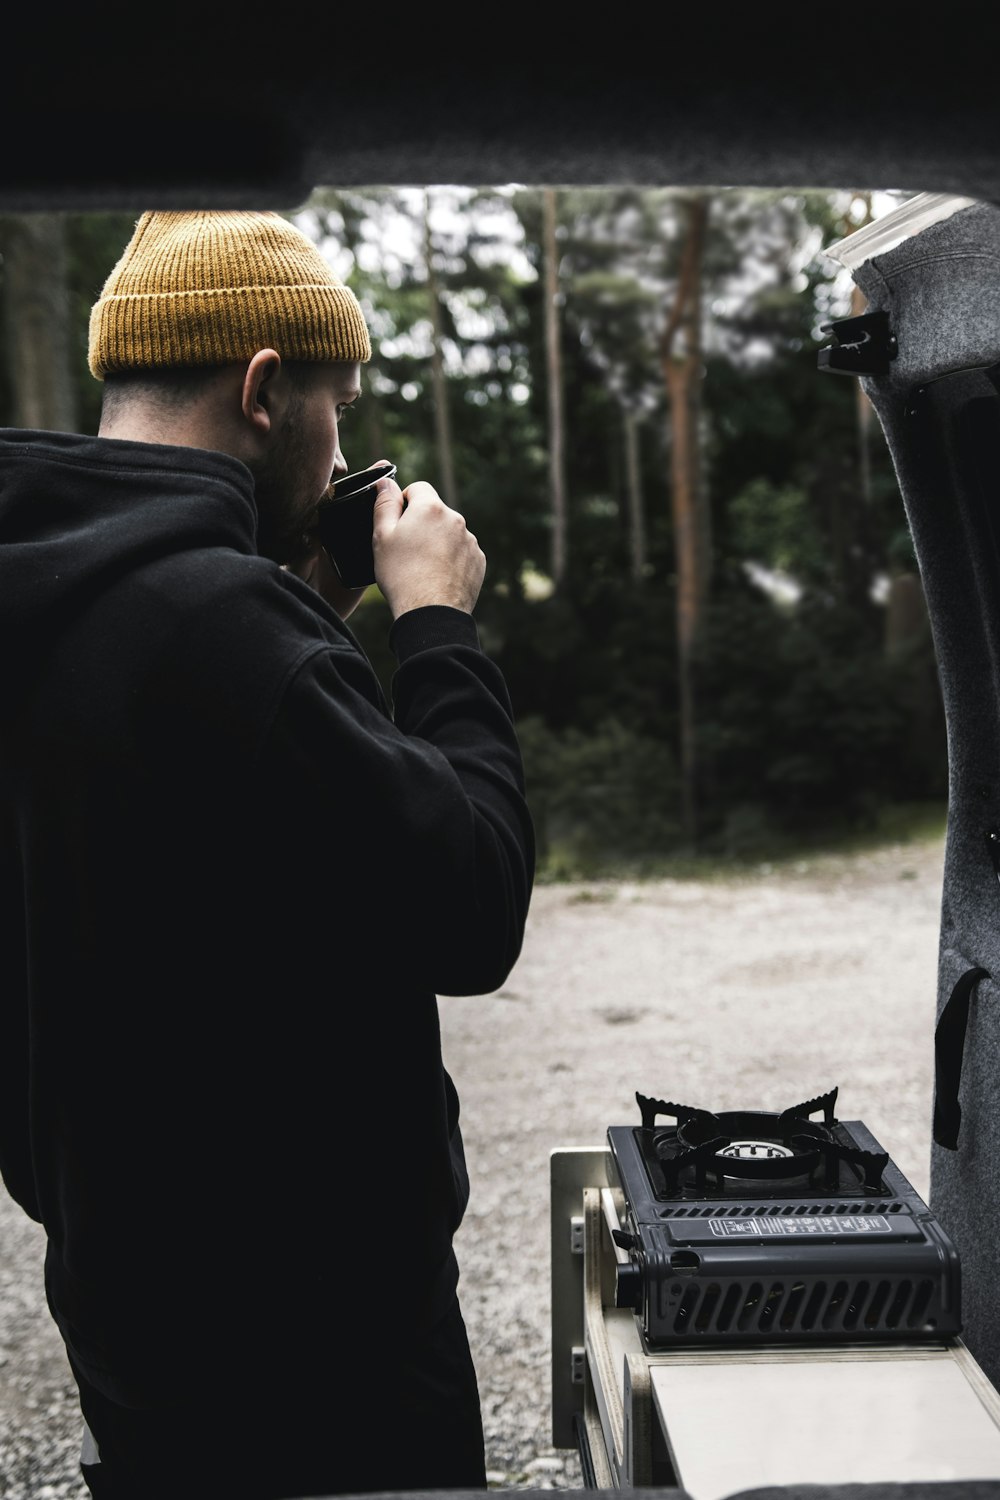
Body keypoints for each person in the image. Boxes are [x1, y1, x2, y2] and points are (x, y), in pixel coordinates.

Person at [0, 209, 535, 1498]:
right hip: (323, 1340)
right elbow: (471, 905)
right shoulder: (228, 626)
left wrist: (307, 613)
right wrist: (438, 626)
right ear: (262, 388)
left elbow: (189, 836)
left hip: (128, 1303)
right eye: (337, 409)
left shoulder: (47, 582)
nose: (342, 445)